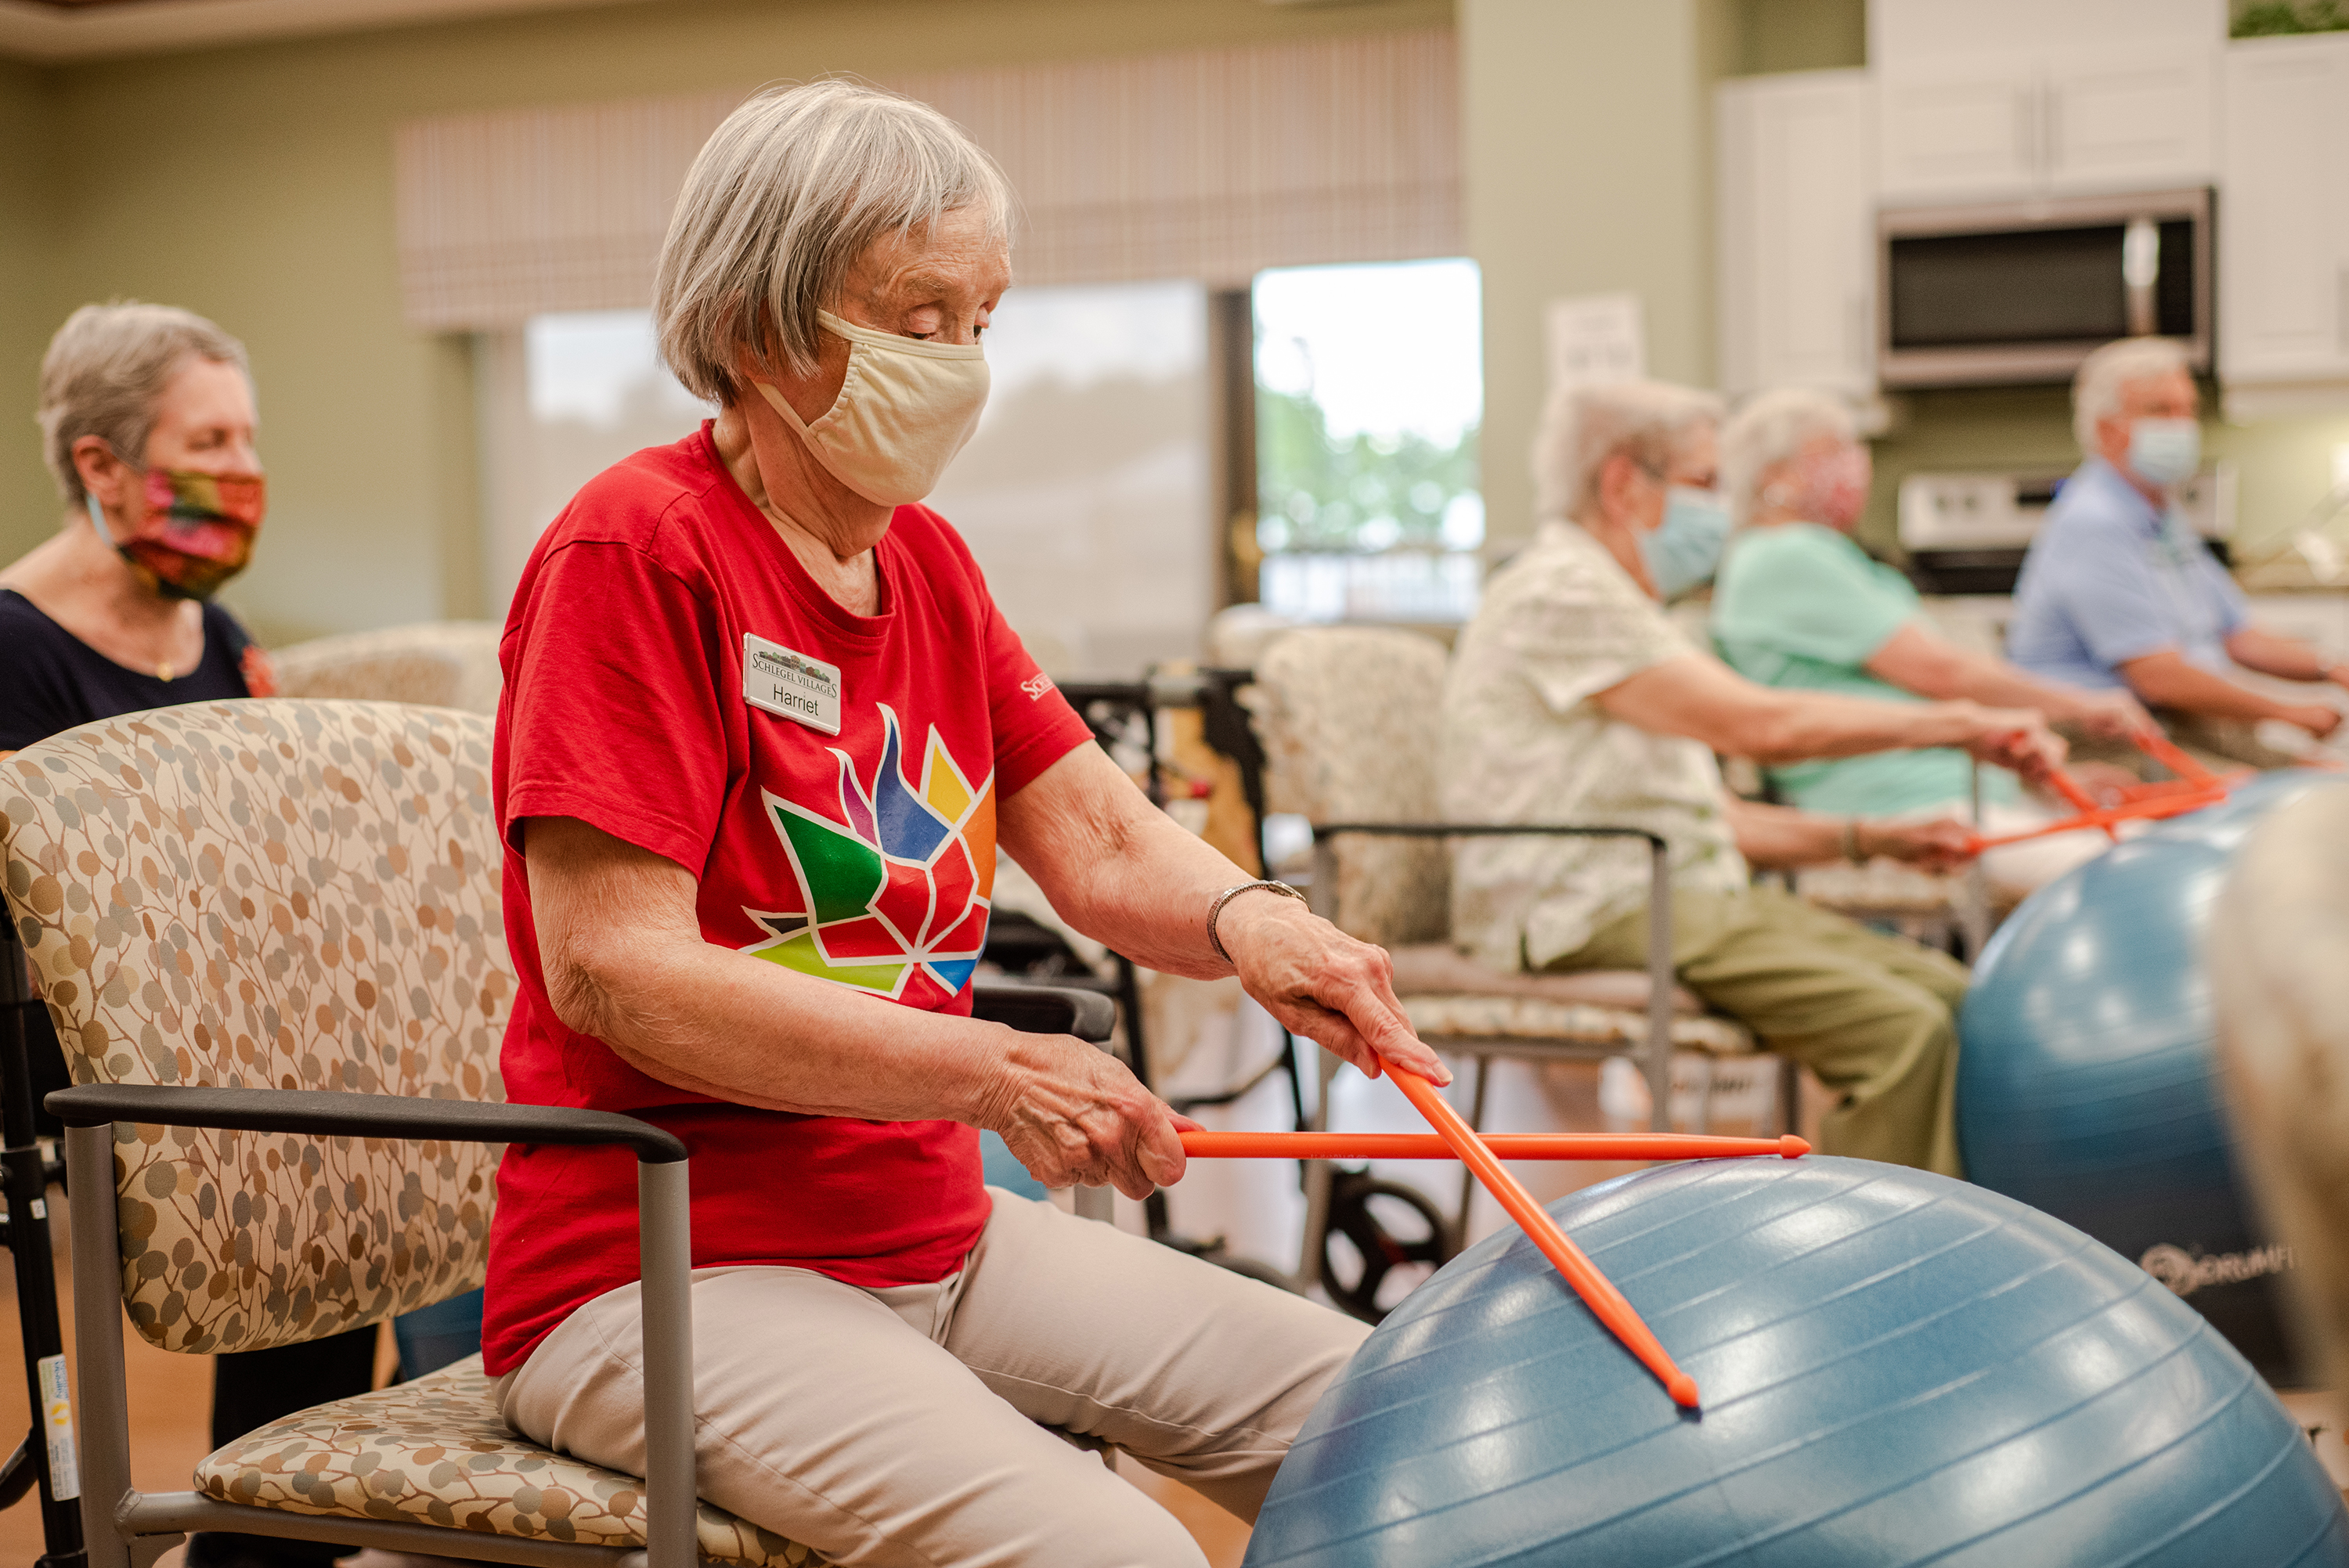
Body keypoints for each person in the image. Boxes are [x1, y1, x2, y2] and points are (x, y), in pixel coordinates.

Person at [483, 81, 1444, 1568]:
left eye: (982, 321)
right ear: (756, 323)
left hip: (929, 1231)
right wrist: (995, 1069)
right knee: (1116, 1552)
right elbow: (615, 971)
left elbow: (1106, 843)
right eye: (917, 320)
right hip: (664, 1264)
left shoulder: (926, 561)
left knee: (1390, 1423)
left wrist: (1260, 921)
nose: (962, 366)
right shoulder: (637, 548)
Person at [1442, 380, 2068, 1178]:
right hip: (1593, 908)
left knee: (1953, 996)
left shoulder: (1625, 604)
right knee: (1905, 1034)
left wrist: (1868, 838)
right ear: (1623, 482)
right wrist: (1959, 721)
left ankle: (1973, 1230)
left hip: (1673, 890)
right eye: (1704, 484)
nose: (1723, 511)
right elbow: (1762, 728)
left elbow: (1699, 815)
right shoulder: (1561, 592)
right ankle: (1870, 1273)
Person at [0, 304, 371, 1568]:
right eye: (207, 437)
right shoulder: (12, 644)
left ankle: (275, 1528)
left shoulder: (221, 636)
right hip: (84, 1050)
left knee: (361, 1182)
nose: (241, 465)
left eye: (249, 435)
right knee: (324, 1168)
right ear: (100, 463)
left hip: (246, 1031)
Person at [1709, 387, 2152, 896]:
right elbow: (1941, 673)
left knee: (2158, 856)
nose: (1857, 465)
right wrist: (2084, 707)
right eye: (1833, 452)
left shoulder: (1820, 556)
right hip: (1909, 808)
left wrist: (2049, 782)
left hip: (1970, 794)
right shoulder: (1783, 557)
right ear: (1774, 474)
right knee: (2138, 882)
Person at [2008, 336, 2348, 764]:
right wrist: (2289, 712)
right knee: (2279, 803)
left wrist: (2332, 668)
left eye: (2187, 410)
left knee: (2324, 779)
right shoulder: (2094, 522)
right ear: (2106, 429)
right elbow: (2158, 677)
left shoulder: (2161, 516)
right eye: (2160, 411)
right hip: (2102, 735)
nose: (2181, 426)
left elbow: (2239, 636)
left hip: (2176, 718)